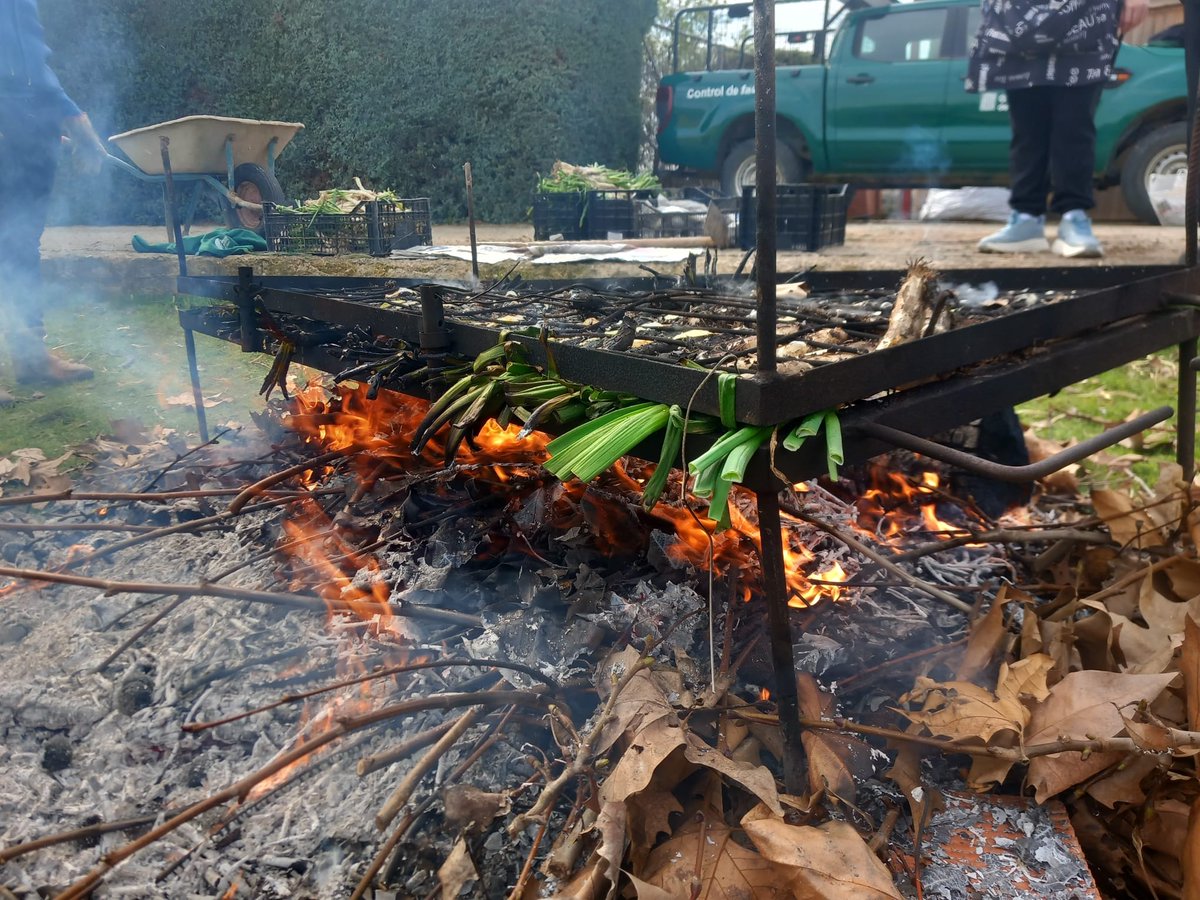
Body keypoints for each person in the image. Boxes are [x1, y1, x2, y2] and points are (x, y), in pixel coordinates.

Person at [968, 0, 1149, 257]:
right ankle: (1027, 218)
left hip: (1086, 20)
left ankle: (1073, 216)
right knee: (1027, 131)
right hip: (1017, 23)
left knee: (1073, 128)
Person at [0, 0, 107, 408]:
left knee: (19, 246)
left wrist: (44, 123)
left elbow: (28, 67)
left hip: (24, 134)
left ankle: (29, 355)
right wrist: (71, 118)